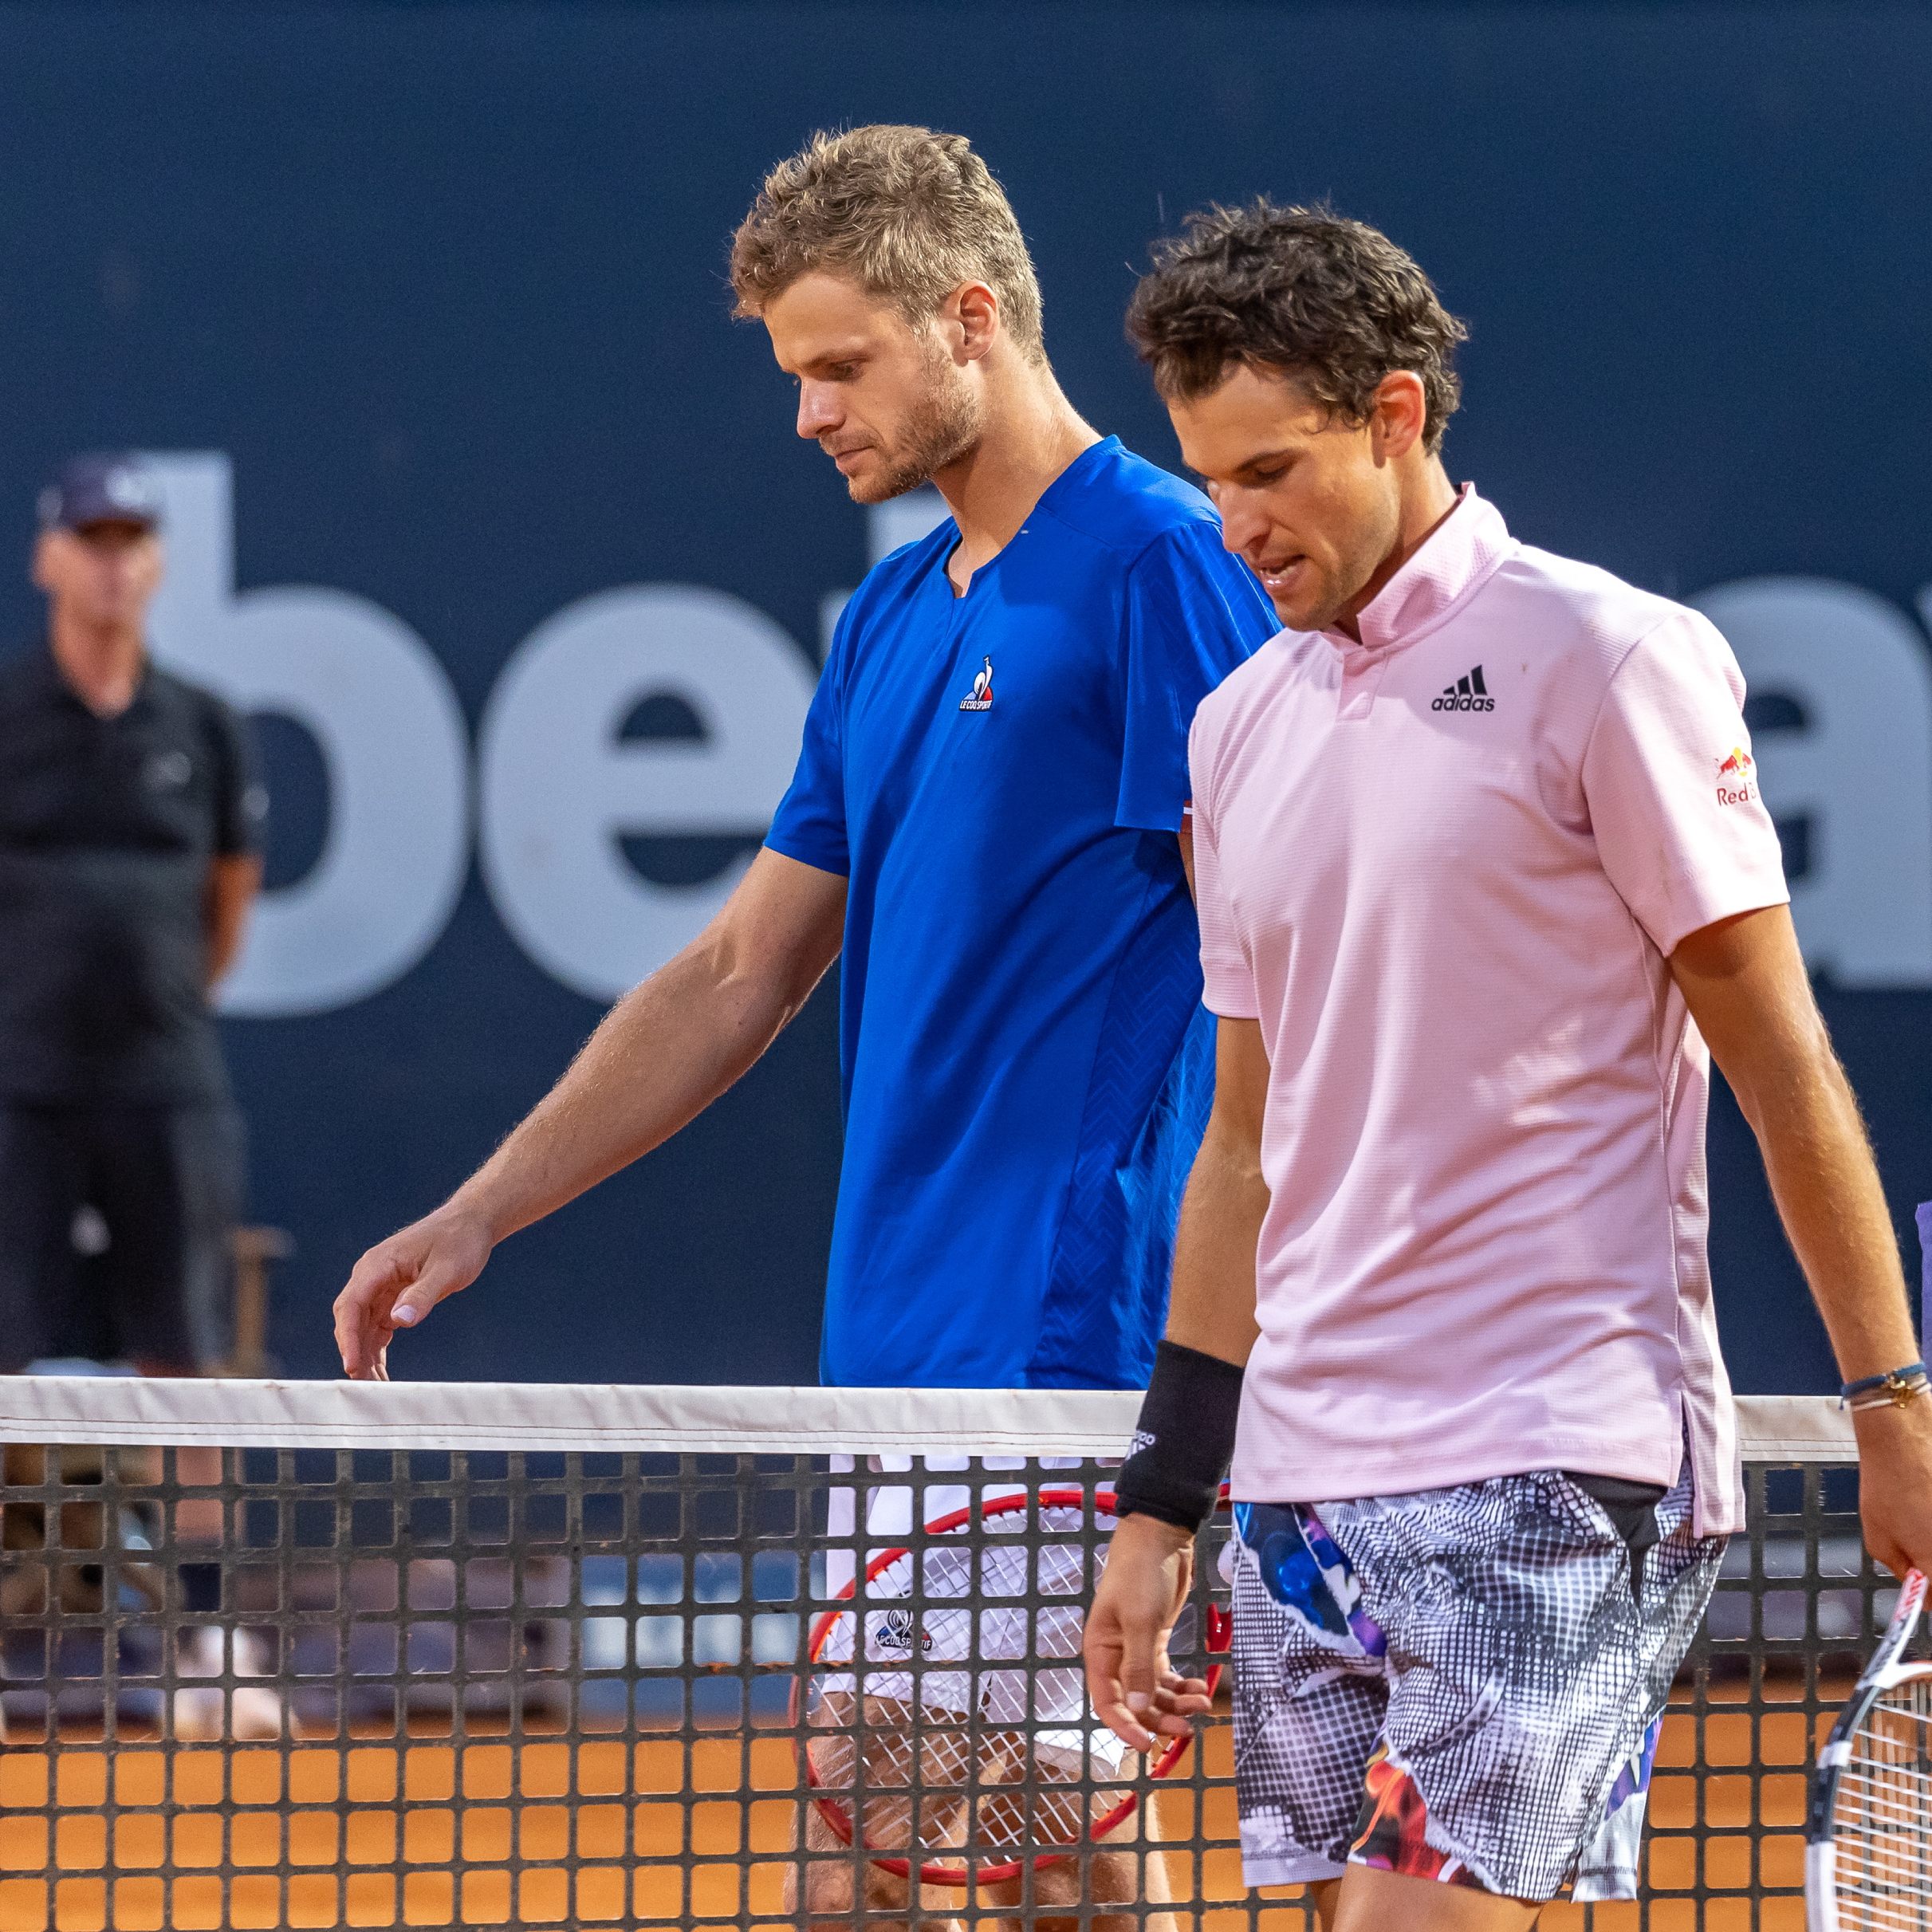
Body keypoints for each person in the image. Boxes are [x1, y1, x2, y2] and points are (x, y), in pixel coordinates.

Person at [334, 127, 1276, 1923]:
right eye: (794, 373)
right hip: (896, 1363)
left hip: (1065, 1351)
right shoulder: (893, 619)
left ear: (972, 321)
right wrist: (482, 1211)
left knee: (1018, 1872)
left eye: (840, 365)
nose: (808, 415)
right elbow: (737, 974)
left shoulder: (1162, 567)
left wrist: (1217, 1351)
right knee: (887, 1870)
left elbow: (1295, 963)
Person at [1084, 201, 1932, 1932]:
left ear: (1397, 415)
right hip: (1309, 1471)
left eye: (1278, 469)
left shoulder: (1608, 659)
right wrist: (1166, 1498)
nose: (1238, 522)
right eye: (1210, 477)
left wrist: (1893, 1405)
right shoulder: (1235, 730)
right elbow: (1248, 1145)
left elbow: (1777, 1056)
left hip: (1551, 1453)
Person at [0, 451, 275, 1740]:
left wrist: (149, 1005)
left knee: (188, 1370)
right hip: (17, 1094)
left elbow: (225, 908)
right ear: (49, 559)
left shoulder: (203, 725)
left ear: (156, 563)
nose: (112, 560)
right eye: (89, 538)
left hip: (166, 1091)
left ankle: (206, 1643)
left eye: (131, 539)